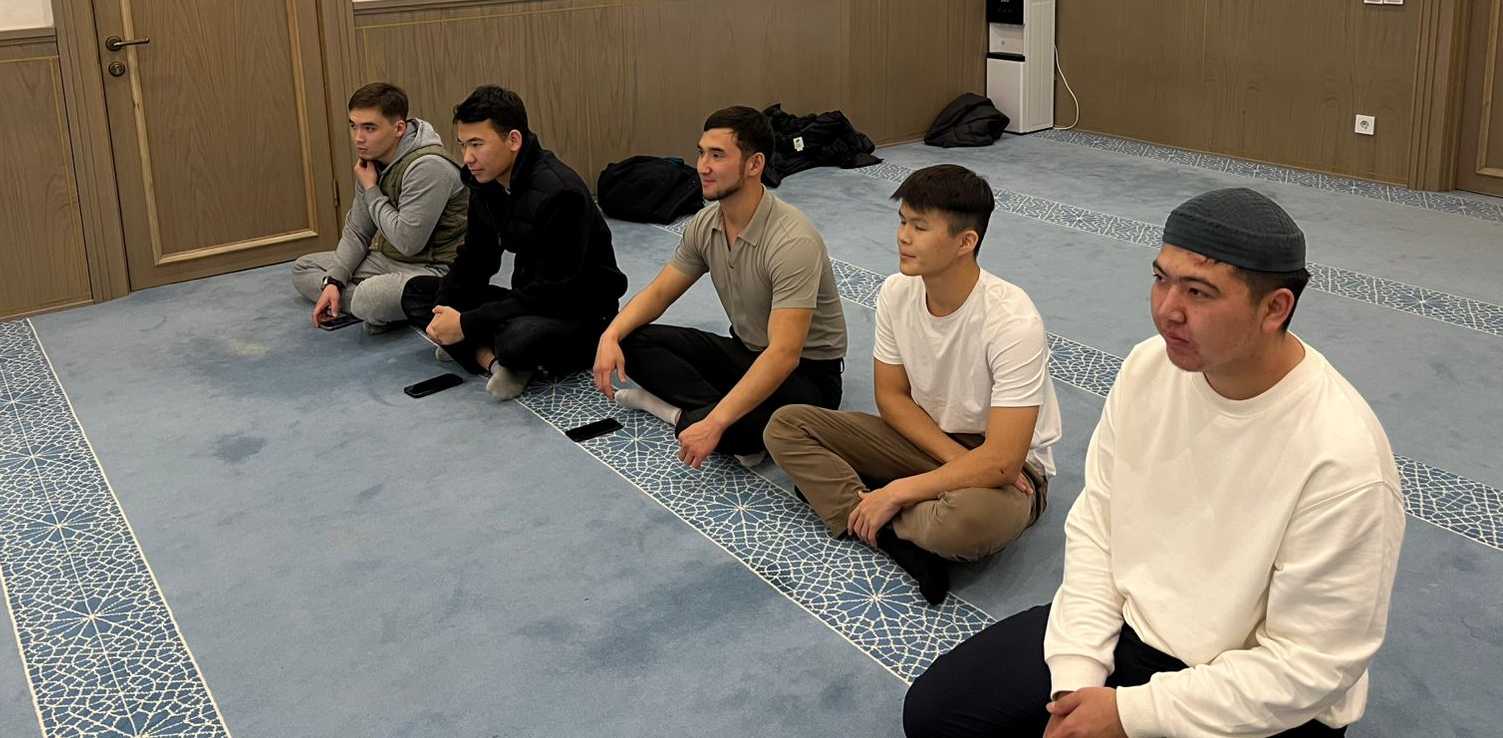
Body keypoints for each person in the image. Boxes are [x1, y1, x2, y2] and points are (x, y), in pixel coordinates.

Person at [903, 187, 1406, 738]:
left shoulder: (1344, 456)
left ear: (1274, 308)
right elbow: (1097, 529)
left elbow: (1309, 667)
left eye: (1198, 292)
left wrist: (1130, 714)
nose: (1167, 310)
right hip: (1135, 630)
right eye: (1161, 279)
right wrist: (1075, 681)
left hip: (1252, 686)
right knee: (935, 715)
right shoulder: (1149, 368)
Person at [765, 165, 1060, 605]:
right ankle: (891, 532)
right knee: (785, 426)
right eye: (902, 221)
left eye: (920, 227)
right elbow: (891, 397)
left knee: (966, 522)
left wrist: (898, 490)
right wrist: (950, 463)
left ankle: (858, 504)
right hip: (929, 440)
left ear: (966, 242)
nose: (903, 236)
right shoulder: (896, 292)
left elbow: (1002, 462)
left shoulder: (1013, 322)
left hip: (1011, 471)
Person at [594, 105, 847, 467]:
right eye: (701, 153)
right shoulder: (706, 222)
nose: (702, 166)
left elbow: (783, 355)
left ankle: (675, 412)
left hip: (807, 376)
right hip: (746, 351)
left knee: (737, 430)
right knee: (630, 340)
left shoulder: (792, 242)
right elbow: (660, 293)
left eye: (717, 155)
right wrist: (610, 335)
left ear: (754, 164)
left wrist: (714, 423)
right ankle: (712, 415)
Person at [402, 85, 627, 399]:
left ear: (513, 140)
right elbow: (475, 258)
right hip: (527, 298)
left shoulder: (560, 194)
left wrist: (466, 324)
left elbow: (551, 292)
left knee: (518, 341)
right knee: (417, 293)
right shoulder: (485, 181)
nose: (467, 158)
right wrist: (446, 310)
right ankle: (493, 362)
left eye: (477, 144)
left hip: (579, 311)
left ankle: (484, 351)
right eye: (463, 145)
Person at [291, 82, 467, 333]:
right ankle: (378, 309)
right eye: (354, 126)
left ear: (399, 128)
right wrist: (334, 282)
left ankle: (376, 307)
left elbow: (408, 243)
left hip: (434, 270)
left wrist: (371, 189)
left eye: (369, 128)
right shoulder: (372, 161)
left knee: (370, 297)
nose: (358, 138)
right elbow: (357, 231)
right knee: (305, 268)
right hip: (390, 260)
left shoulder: (429, 166)